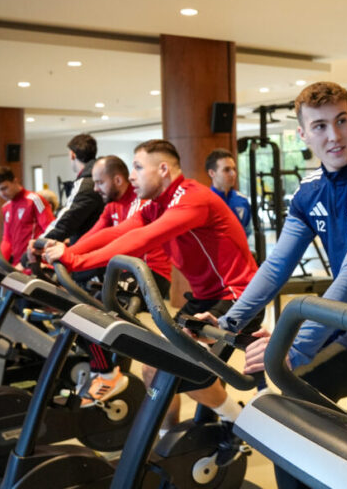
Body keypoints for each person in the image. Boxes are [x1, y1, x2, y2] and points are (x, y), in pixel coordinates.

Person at [204, 81, 347, 407]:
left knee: (298, 388)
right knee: (279, 393)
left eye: (341, 121)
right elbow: (276, 267)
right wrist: (227, 322)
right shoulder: (309, 192)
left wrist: (295, 349)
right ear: (303, 134)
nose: (334, 136)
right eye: (320, 126)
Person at [42, 140, 258, 446]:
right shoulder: (158, 204)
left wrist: (76, 262)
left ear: (163, 169)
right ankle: (168, 442)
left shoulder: (192, 198)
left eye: (138, 167)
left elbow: (143, 238)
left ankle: (241, 423)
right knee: (155, 369)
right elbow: (119, 231)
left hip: (237, 297)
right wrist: (69, 251)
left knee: (173, 369)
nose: (132, 176)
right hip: (204, 298)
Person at [67, 155, 174, 404]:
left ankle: (106, 374)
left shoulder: (140, 203)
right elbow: (96, 234)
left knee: (96, 313)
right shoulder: (111, 206)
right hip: (125, 272)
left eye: (99, 182)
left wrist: (74, 259)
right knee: (81, 311)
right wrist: (67, 252)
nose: (96, 189)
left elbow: (120, 237)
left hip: (149, 274)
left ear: (117, 180)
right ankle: (106, 372)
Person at [32, 133, 104, 256]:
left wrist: (37, 244)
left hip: (88, 254)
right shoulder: (95, 179)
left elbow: (65, 222)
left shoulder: (86, 183)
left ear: (72, 155)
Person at [0, 166, 54, 266]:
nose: (2, 193)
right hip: (18, 264)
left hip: (38, 263)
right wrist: (0, 264)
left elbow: (51, 230)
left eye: (4, 188)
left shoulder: (34, 200)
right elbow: (7, 240)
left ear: (15, 181)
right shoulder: (6, 207)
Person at [206, 148, 252, 237]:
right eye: (226, 170)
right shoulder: (204, 202)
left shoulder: (242, 200)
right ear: (212, 173)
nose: (233, 174)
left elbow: (247, 233)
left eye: (234, 169)